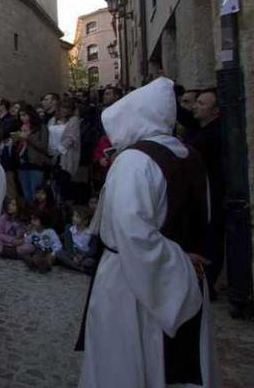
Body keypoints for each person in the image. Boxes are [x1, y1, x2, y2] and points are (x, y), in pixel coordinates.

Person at [77, 77, 218, 388]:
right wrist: (183, 262)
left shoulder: (134, 162)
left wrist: (175, 263)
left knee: (134, 360)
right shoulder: (189, 154)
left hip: (133, 281)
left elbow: (133, 233)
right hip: (184, 275)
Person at [187, 89, 224, 300]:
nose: (195, 106)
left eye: (201, 104)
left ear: (215, 111)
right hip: (203, 196)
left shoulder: (211, 135)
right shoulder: (200, 130)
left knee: (211, 241)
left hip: (212, 197)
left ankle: (208, 283)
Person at [47, 98, 81, 205]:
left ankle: (67, 209)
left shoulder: (73, 120)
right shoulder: (52, 120)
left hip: (65, 156)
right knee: (53, 184)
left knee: (65, 184)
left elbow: (71, 139)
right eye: (62, 107)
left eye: (67, 108)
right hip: (50, 153)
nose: (64, 110)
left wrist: (58, 152)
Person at [14, 105, 51, 203]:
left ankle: (36, 215)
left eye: (25, 115)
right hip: (22, 163)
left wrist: (28, 137)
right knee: (26, 194)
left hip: (36, 163)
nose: (22, 118)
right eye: (20, 115)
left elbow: (43, 146)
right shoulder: (21, 127)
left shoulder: (41, 128)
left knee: (36, 193)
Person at [56, 206, 96, 275]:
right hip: (72, 254)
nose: (74, 218)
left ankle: (73, 265)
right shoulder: (69, 229)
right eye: (73, 216)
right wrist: (73, 257)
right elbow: (68, 247)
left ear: (85, 221)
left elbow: (93, 250)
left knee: (90, 262)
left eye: (77, 216)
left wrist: (82, 256)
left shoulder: (91, 233)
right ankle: (80, 269)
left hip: (84, 255)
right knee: (59, 253)